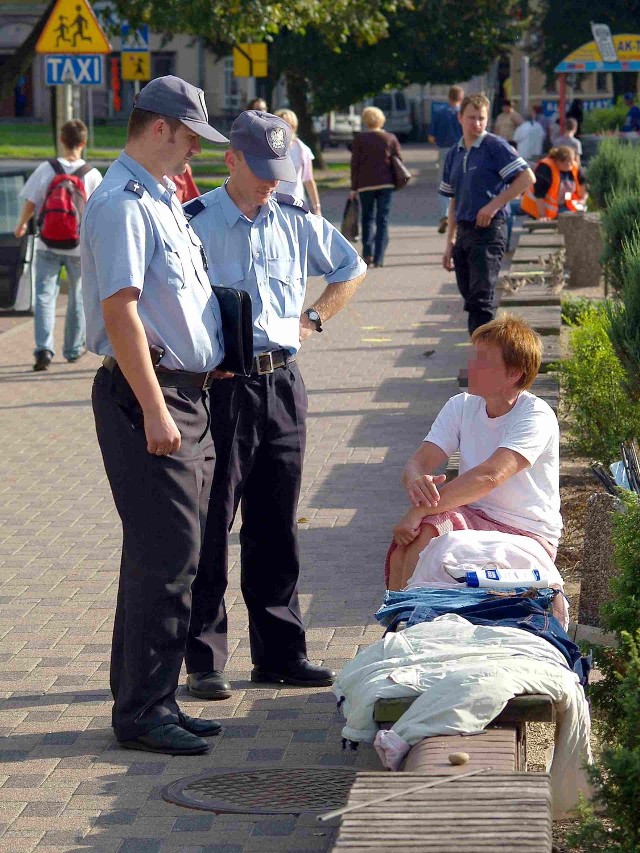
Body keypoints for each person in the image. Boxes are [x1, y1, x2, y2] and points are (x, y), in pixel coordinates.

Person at [183, 110, 367, 701]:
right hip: (220, 387)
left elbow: (351, 267)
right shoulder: (194, 224)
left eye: (278, 172)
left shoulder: (293, 219)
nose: (271, 182)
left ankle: (281, 653)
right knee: (213, 524)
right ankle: (204, 660)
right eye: (260, 170)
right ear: (230, 159)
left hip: (282, 384)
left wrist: (314, 316)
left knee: (276, 523)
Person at [80, 75, 230, 756]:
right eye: (192, 134)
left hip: (184, 392)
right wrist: (152, 408)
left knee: (173, 553)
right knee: (167, 556)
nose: (195, 148)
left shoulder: (162, 197)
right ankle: (143, 710)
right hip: (150, 396)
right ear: (162, 127)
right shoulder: (121, 203)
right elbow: (121, 311)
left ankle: (154, 696)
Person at [387, 314, 562, 591]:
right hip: (474, 514)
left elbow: (490, 476)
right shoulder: (462, 405)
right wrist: (416, 480)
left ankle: (412, 617)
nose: (471, 366)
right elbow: (419, 461)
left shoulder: (535, 415)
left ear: (513, 373)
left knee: (426, 532)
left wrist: (419, 509)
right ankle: (399, 622)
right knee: (409, 542)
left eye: (482, 360)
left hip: (524, 529)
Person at [440, 93, 534, 335]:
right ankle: (484, 350)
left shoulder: (495, 146)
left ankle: (482, 361)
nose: (477, 124)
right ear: (460, 118)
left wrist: (494, 205)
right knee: (470, 296)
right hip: (464, 230)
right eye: (471, 118)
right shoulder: (454, 153)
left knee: (482, 299)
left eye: (481, 118)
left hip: (490, 230)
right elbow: (453, 199)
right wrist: (449, 241)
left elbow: (526, 178)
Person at [14, 119, 102, 371]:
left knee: (43, 296)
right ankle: (73, 349)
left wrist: (21, 225)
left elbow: (31, 201)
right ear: (84, 143)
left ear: (62, 140)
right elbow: (99, 212)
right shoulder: (92, 175)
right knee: (77, 296)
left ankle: (43, 349)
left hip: (47, 245)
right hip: (78, 247)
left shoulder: (46, 168)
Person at [349, 105, 403, 267]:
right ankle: (379, 257)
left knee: (367, 218)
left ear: (365, 121)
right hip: (386, 184)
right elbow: (399, 159)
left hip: (365, 185)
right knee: (383, 220)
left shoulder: (360, 139)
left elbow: (355, 164)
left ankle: (367, 253)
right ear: (381, 120)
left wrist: (353, 187)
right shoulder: (390, 138)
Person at [428, 85, 464, 233]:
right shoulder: (464, 114)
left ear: (449, 97)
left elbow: (431, 137)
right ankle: (460, 216)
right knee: (462, 183)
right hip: (462, 150)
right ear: (461, 98)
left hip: (444, 150)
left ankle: (444, 215)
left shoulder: (439, 113)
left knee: (444, 184)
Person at [274, 108, 322, 214]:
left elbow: (309, 180)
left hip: (296, 201)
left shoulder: (302, 149)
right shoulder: (270, 149)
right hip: (274, 202)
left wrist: (317, 207)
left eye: (288, 124)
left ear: (294, 127)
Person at [519, 146, 587, 220]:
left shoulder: (573, 167)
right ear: (558, 161)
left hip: (560, 206)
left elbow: (582, 182)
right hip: (536, 207)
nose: (571, 164)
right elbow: (539, 195)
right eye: (568, 162)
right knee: (514, 207)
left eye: (572, 161)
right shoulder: (545, 169)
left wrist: (582, 199)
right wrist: (542, 216)